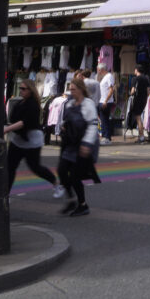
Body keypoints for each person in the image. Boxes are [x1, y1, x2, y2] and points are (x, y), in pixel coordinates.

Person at [4, 78, 59, 194]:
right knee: (10, 167)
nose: (21, 91)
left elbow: (24, 122)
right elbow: (14, 120)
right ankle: (5, 195)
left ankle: (54, 181)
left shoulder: (33, 105)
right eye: (20, 88)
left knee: (35, 167)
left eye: (23, 89)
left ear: (31, 90)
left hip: (31, 140)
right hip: (18, 139)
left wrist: (7, 129)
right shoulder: (19, 102)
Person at [57, 76, 100, 217]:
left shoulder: (88, 104)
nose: (71, 92)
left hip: (83, 145)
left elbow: (93, 126)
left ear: (81, 89)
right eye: (70, 90)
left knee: (75, 176)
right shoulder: (69, 104)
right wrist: (64, 128)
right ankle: (71, 199)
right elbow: (66, 121)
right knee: (62, 171)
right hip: (70, 144)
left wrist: (87, 144)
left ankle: (83, 205)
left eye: (73, 90)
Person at [97, 62, 116, 145]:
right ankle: (105, 136)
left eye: (98, 69)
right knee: (103, 119)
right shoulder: (105, 77)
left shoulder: (109, 76)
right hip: (102, 101)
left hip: (106, 102)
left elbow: (111, 89)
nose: (98, 71)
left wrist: (106, 100)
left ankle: (107, 137)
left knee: (105, 120)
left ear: (101, 69)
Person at [130, 64, 150, 143]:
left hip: (136, 100)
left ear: (137, 70)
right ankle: (140, 136)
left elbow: (133, 91)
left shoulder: (135, 79)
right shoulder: (146, 79)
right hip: (143, 100)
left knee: (138, 118)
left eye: (135, 69)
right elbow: (148, 91)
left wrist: (130, 94)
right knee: (140, 117)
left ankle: (141, 136)